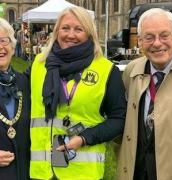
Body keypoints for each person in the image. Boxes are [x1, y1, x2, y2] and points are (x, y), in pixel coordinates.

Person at [29, 6, 126, 180]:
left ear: (89, 34)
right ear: (57, 31)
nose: (70, 35)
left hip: (82, 172)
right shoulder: (39, 64)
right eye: (65, 28)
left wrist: (84, 138)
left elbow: (119, 119)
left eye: (78, 29)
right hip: (41, 172)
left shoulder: (106, 70)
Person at [117, 8, 172, 180]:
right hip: (136, 171)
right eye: (149, 37)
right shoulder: (131, 71)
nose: (157, 43)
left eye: (164, 35)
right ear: (139, 41)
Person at [0, 18, 30, 179]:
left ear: (12, 46)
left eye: (4, 41)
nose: (0, 47)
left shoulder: (24, 82)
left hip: (24, 172)